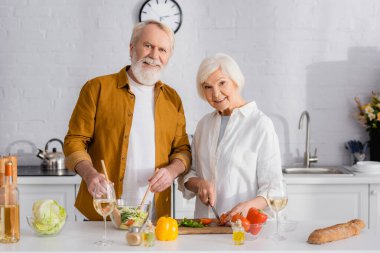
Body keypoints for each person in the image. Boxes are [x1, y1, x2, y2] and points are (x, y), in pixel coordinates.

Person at [64, 20, 191, 221]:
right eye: (148, 45)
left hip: (153, 217)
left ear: (168, 57)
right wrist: (89, 174)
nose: (154, 55)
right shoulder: (97, 88)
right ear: (132, 48)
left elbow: (183, 150)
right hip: (101, 213)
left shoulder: (172, 99)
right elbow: (74, 141)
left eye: (162, 50)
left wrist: (171, 171)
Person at [178, 53, 283, 219]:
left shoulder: (260, 124)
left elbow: (273, 188)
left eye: (222, 83)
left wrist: (248, 206)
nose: (216, 94)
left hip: (243, 227)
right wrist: (199, 184)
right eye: (207, 87)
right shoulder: (204, 125)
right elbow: (190, 173)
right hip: (205, 225)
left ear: (236, 81)